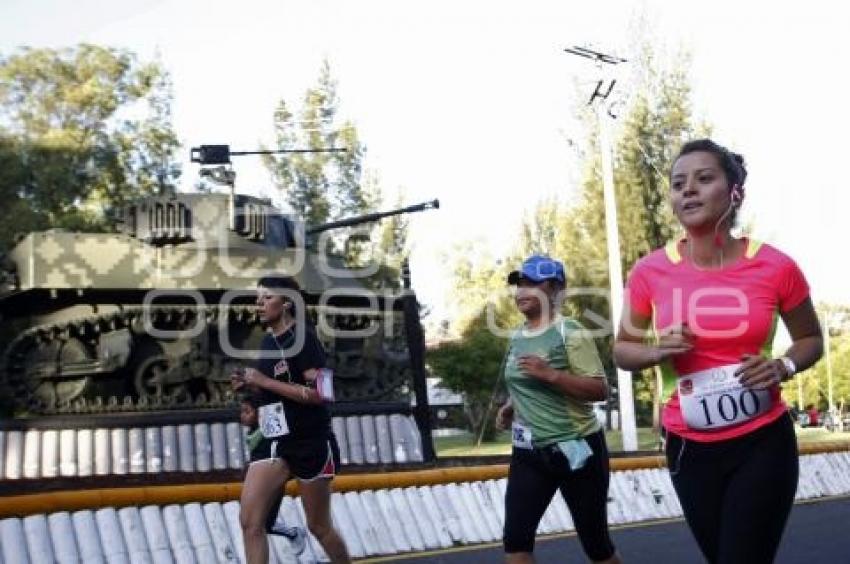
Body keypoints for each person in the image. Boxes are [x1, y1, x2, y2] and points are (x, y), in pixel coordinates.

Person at [613, 139, 823, 564]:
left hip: (762, 439)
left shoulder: (776, 266)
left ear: (735, 193)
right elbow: (622, 350)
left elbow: (811, 340)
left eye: (704, 179)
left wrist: (783, 365)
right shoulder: (650, 271)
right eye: (678, 183)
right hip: (689, 447)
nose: (688, 189)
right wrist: (656, 351)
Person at [496, 255, 621, 564]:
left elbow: (599, 390)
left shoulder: (571, 331)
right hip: (528, 452)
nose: (522, 292)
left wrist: (551, 374)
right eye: (519, 285)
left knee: (597, 545)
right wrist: (511, 407)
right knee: (515, 542)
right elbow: (524, 380)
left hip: (575, 448)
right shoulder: (516, 336)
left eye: (531, 284)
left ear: (554, 289)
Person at [232, 275, 350, 564]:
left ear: (286, 303)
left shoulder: (304, 339)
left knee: (318, 526)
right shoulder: (268, 342)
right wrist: (252, 395)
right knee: (250, 523)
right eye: (257, 297)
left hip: (308, 442)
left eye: (267, 297)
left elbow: (323, 394)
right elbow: (275, 388)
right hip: (273, 441)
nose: (259, 303)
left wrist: (265, 382)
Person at [239, 391, 306, 556]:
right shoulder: (252, 435)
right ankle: (293, 533)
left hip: (272, 472)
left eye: (247, 411)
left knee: (258, 523)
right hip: (264, 475)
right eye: (241, 412)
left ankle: (294, 533)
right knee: (262, 523)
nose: (242, 416)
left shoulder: (269, 427)